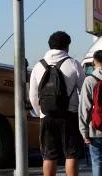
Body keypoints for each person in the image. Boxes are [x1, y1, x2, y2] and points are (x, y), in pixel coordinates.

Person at [29, 31, 85, 176]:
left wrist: (41, 112)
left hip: (46, 116)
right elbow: (83, 92)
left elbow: (33, 95)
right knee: (71, 154)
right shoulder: (73, 64)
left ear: (50, 46)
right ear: (67, 46)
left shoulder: (38, 66)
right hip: (69, 115)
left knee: (48, 155)